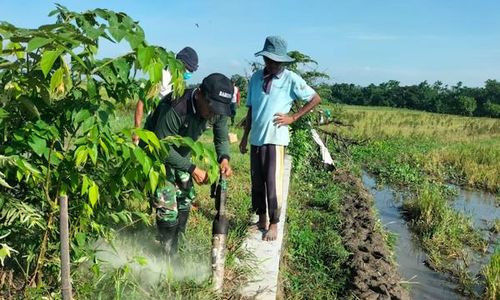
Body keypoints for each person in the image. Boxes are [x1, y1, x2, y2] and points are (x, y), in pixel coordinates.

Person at [239, 36, 321, 241]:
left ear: (283, 61)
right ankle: (261, 218)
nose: (273, 64)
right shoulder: (256, 78)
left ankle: (274, 224)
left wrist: (293, 117)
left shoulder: (290, 79)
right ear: (265, 58)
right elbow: (250, 110)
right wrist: (244, 137)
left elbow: (315, 98)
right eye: (269, 60)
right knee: (257, 183)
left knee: (273, 183)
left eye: (277, 61)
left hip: (275, 139)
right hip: (256, 139)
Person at [143, 73, 234, 255]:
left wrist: (224, 158)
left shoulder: (218, 109)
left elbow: (221, 136)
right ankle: (166, 255)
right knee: (167, 205)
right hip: (157, 155)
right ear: (199, 94)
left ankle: (178, 244)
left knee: (185, 198)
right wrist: (193, 169)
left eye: (218, 110)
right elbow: (161, 147)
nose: (213, 114)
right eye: (211, 108)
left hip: (181, 155)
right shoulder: (176, 106)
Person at [133, 46, 199, 145]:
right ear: (179, 63)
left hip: (167, 127)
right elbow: (142, 102)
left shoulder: (180, 82)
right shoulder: (162, 76)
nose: (189, 73)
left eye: (191, 71)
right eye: (188, 69)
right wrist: (137, 130)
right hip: (153, 125)